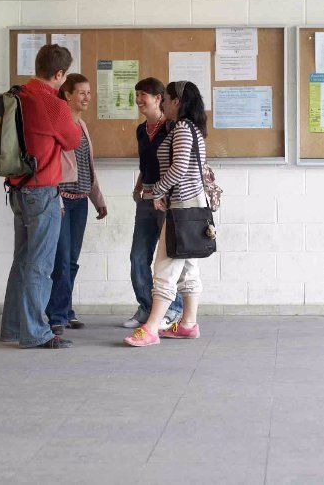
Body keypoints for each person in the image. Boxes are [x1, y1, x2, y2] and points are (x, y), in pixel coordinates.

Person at [0, 44, 80, 349]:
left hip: (17, 190)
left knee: (22, 260)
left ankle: (13, 328)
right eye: (63, 75)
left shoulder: (14, 95)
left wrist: (7, 158)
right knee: (40, 265)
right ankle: (35, 332)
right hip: (42, 192)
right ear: (59, 74)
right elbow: (72, 140)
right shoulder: (53, 104)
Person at [125, 80, 206, 347]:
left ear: (176, 102)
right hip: (193, 206)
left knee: (165, 266)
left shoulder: (181, 128)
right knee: (188, 268)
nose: (166, 104)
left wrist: (158, 190)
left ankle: (150, 328)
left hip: (181, 207)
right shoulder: (192, 128)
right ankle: (188, 324)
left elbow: (179, 167)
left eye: (168, 99)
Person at [44, 73, 107, 335]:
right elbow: (53, 166)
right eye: (81, 92)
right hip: (61, 201)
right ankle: (56, 316)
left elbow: (87, 168)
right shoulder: (60, 124)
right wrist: (55, 197)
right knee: (61, 259)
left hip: (80, 202)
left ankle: (66, 310)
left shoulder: (82, 126)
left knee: (71, 261)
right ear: (67, 94)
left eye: (89, 93)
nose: (87, 97)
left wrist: (98, 201)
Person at [123, 77, 184, 330]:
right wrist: (139, 186)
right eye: (137, 95)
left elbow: (174, 165)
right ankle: (147, 307)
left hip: (168, 201)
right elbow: (145, 164)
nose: (139, 100)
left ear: (158, 98)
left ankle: (174, 308)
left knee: (168, 258)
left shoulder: (171, 127)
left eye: (143, 95)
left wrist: (163, 192)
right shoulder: (140, 130)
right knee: (138, 256)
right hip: (146, 199)